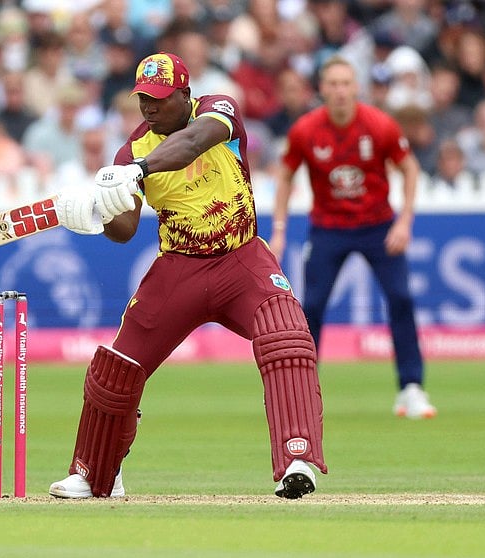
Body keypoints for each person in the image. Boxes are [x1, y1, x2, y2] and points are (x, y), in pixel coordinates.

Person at [49, 52, 327, 500]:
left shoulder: (218, 111)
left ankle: (297, 459)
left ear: (185, 93)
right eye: (143, 98)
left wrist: (136, 172)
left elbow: (194, 143)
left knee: (287, 338)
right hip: (178, 268)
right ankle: (95, 472)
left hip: (242, 259)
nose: (149, 108)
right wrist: (97, 212)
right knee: (117, 368)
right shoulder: (129, 152)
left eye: (160, 98)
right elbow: (123, 231)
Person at [269, 55, 436, 421]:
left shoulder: (379, 125)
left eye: (346, 83)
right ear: (322, 89)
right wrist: (279, 231)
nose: (340, 91)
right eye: (333, 84)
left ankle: (411, 388)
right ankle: (301, 393)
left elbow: (410, 169)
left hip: (377, 225)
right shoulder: (306, 130)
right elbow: (284, 176)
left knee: (401, 298)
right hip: (329, 227)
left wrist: (404, 222)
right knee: (311, 305)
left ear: (356, 88)